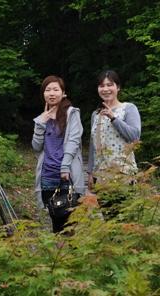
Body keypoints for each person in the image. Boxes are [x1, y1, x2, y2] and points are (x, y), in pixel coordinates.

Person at [32, 75, 85, 233]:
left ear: (63, 93)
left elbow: (74, 141)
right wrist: (40, 124)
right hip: (47, 175)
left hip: (67, 175)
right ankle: (59, 255)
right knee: (55, 218)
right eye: (48, 90)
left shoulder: (71, 113)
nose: (52, 93)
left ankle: (69, 253)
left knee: (69, 220)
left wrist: (64, 167)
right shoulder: (42, 118)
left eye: (56, 89)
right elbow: (36, 146)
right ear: (43, 94)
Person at [87, 70, 141, 191]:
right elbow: (93, 145)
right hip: (101, 176)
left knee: (123, 210)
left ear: (118, 87)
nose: (105, 89)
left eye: (110, 85)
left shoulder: (128, 108)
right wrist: (90, 173)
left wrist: (113, 118)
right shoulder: (95, 114)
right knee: (106, 210)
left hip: (124, 174)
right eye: (102, 86)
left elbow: (134, 137)